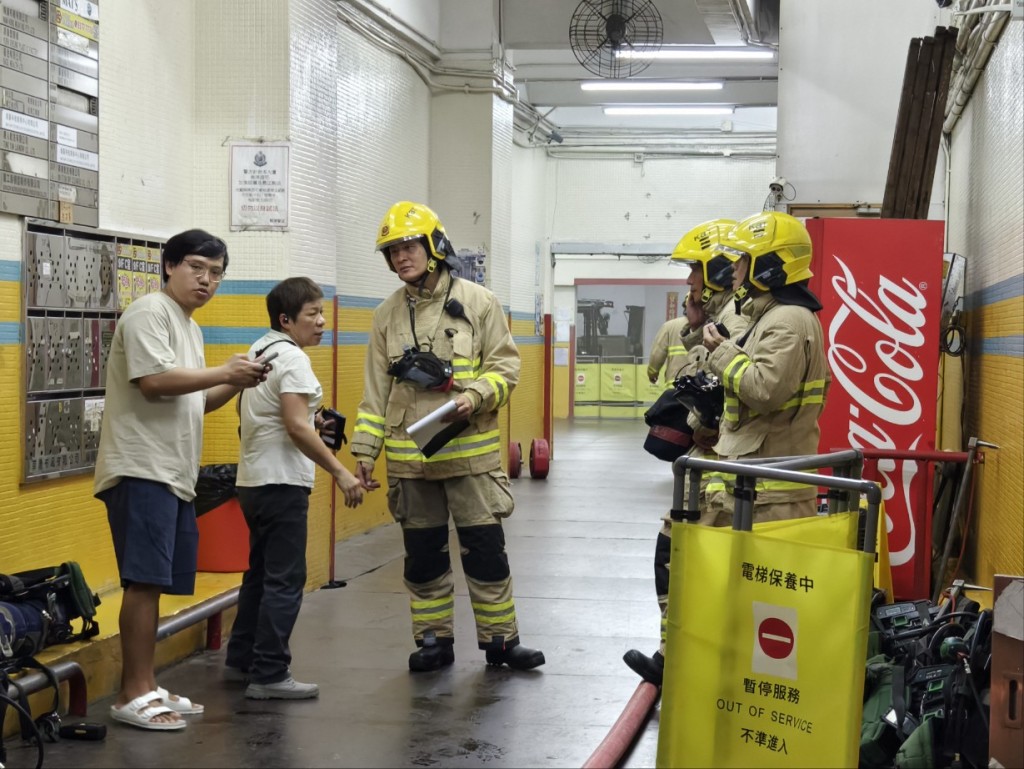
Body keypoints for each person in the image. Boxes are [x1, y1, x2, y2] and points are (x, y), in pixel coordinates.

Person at [351, 201, 545, 673]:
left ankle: (501, 642)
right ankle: (433, 641)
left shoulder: (480, 303)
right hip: (410, 465)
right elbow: (375, 393)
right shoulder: (385, 316)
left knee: (485, 553)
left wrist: (474, 396)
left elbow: (506, 368)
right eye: (392, 250)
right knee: (423, 558)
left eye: (409, 246)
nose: (401, 257)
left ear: (435, 246)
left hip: (470, 461)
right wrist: (363, 451)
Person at [94, 229, 270, 731]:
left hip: (173, 473)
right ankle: (132, 692)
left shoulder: (189, 327)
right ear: (169, 265)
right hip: (141, 467)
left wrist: (236, 382)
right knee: (143, 582)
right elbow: (153, 383)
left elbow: (196, 399)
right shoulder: (150, 312)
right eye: (197, 267)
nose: (207, 280)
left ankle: (146, 685)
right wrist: (221, 370)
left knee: (156, 581)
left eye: (216, 273)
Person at [624, 218, 751, 686]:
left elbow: (734, 396)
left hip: (730, 470)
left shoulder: (736, 323)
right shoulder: (717, 322)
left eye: (695, 272)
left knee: (688, 559)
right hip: (709, 469)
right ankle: (672, 652)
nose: (688, 282)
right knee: (673, 551)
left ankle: (687, 659)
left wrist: (702, 424)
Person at [226, 277, 367, 699]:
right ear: (286, 320)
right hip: (281, 483)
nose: (322, 322)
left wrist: (310, 423)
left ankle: (243, 659)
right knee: (285, 579)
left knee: (260, 575)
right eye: (313, 315)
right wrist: (341, 473)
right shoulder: (294, 361)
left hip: (253, 482)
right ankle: (270, 674)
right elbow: (294, 426)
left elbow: (283, 418)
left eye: (322, 313)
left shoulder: (259, 350)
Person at [701, 210, 829, 524]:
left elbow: (765, 390)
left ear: (768, 267)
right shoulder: (772, 316)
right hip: (758, 488)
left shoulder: (787, 321)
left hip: (772, 497)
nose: (733, 267)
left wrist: (721, 351)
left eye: (743, 258)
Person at [645, 314, 690, 387]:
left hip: (676, 383)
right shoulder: (709, 325)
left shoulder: (669, 326)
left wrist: (652, 373)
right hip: (704, 385)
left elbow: (657, 354)